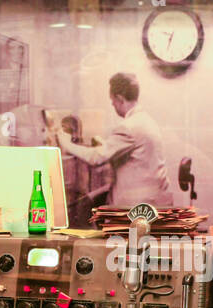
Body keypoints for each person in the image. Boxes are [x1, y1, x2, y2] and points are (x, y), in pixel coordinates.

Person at [55, 72, 173, 208]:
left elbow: (96, 158)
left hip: (138, 207)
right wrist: (106, 145)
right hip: (155, 200)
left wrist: (66, 144)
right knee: (91, 200)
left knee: (84, 207)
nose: (113, 105)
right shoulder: (146, 120)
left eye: (113, 101)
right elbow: (136, 155)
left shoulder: (128, 127)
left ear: (120, 99)